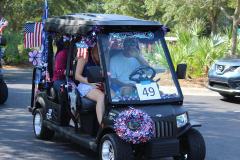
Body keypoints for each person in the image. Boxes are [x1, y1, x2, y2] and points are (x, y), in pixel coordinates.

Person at [52, 38, 80, 128]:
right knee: (73, 91)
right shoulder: (63, 54)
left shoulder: (80, 56)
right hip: (60, 80)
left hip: (74, 79)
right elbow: (62, 71)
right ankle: (72, 119)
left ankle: (80, 118)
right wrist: (77, 73)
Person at [75, 45, 105, 125]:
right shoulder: (85, 55)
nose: (103, 48)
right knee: (101, 97)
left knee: (113, 95)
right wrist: (90, 83)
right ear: (94, 46)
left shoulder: (104, 55)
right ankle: (102, 125)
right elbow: (77, 76)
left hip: (99, 83)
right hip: (86, 83)